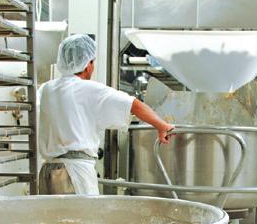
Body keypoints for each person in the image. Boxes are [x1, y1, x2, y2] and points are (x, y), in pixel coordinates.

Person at [38, 34, 173, 195]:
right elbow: (134, 105)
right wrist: (162, 126)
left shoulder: (46, 89)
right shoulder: (88, 89)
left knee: (52, 212)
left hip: (48, 171)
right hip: (74, 173)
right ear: (87, 64)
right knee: (80, 212)